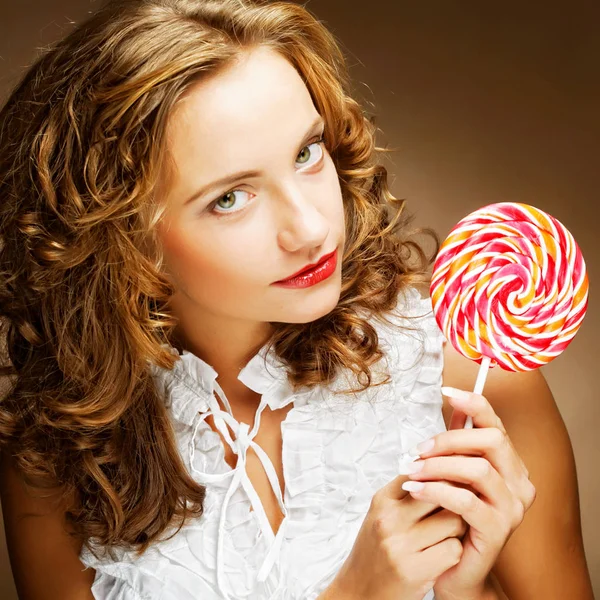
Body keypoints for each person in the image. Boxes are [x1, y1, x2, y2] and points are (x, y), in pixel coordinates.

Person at [0, 0, 593, 599]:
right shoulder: (58, 454)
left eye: (307, 153)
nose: (310, 228)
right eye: (231, 197)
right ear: (120, 237)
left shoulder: (466, 381)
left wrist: (462, 594)